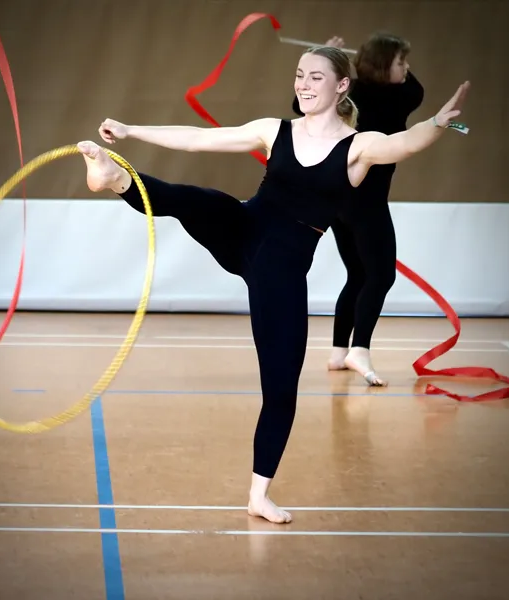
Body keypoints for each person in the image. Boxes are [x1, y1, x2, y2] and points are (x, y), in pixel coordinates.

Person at [78, 46, 469, 524]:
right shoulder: (275, 130)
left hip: (281, 272)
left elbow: (403, 143)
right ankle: (116, 175)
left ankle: (258, 495)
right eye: (299, 76)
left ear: (342, 86)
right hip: (244, 232)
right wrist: (131, 131)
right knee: (199, 200)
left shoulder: (359, 147)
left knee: (281, 390)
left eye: (316, 78)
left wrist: (438, 123)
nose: (303, 85)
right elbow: (200, 139)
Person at [293, 32, 425, 386]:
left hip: (337, 201)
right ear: (385, 66)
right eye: (401, 61)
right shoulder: (398, 97)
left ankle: (339, 352)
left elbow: (302, 103)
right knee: (380, 276)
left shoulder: (351, 95)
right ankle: (359, 349)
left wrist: (332, 59)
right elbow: (415, 88)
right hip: (365, 201)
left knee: (359, 274)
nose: (407, 68)